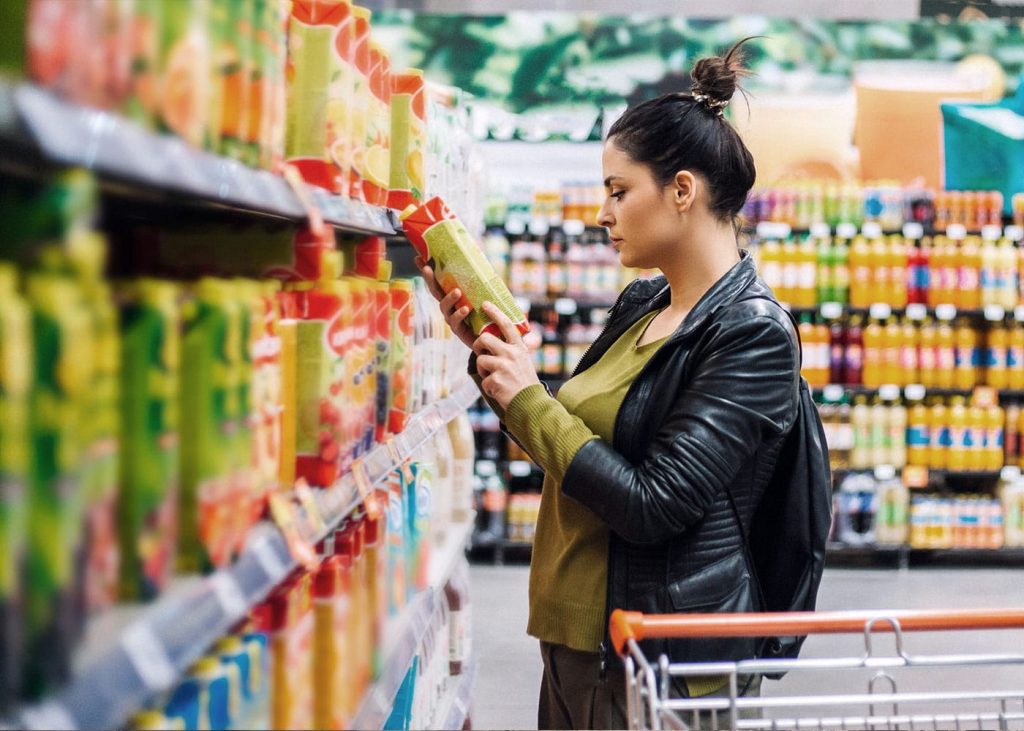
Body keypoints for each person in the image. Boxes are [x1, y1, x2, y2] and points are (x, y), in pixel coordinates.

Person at [417, 38, 800, 730]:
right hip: (576, 645)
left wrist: (531, 396)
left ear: (682, 191)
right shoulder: (642, 305)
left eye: (619, 191)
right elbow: (569, 439)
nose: (603, 213)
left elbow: (654, 503)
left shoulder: (752, 334)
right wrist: (489, 350)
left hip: (657, 664)